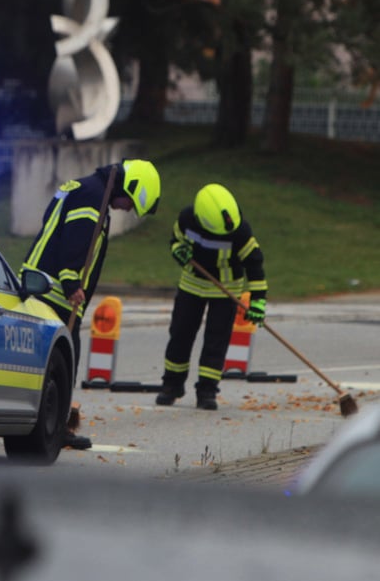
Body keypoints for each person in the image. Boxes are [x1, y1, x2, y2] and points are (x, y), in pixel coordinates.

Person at [20, 159, 161, 449]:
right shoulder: (93, 197)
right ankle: (51, 429)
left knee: (59, 362)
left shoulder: (87, 188)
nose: (127, 209)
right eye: (130, 203)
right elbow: (76, 241)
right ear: (129, 188)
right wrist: (72, 283)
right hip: (55, 291)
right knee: (62, 363)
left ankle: (53, 425)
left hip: (45, 284)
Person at [155, 183, 267, 410]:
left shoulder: (240, 231)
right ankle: (172, 385)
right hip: (192, 285)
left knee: (216, 341)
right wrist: (178, 250)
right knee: (180, 335)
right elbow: (176, 240)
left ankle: (207, 391)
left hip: (226, 291)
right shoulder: (187, 218)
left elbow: (254, 265)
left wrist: (257, 301)